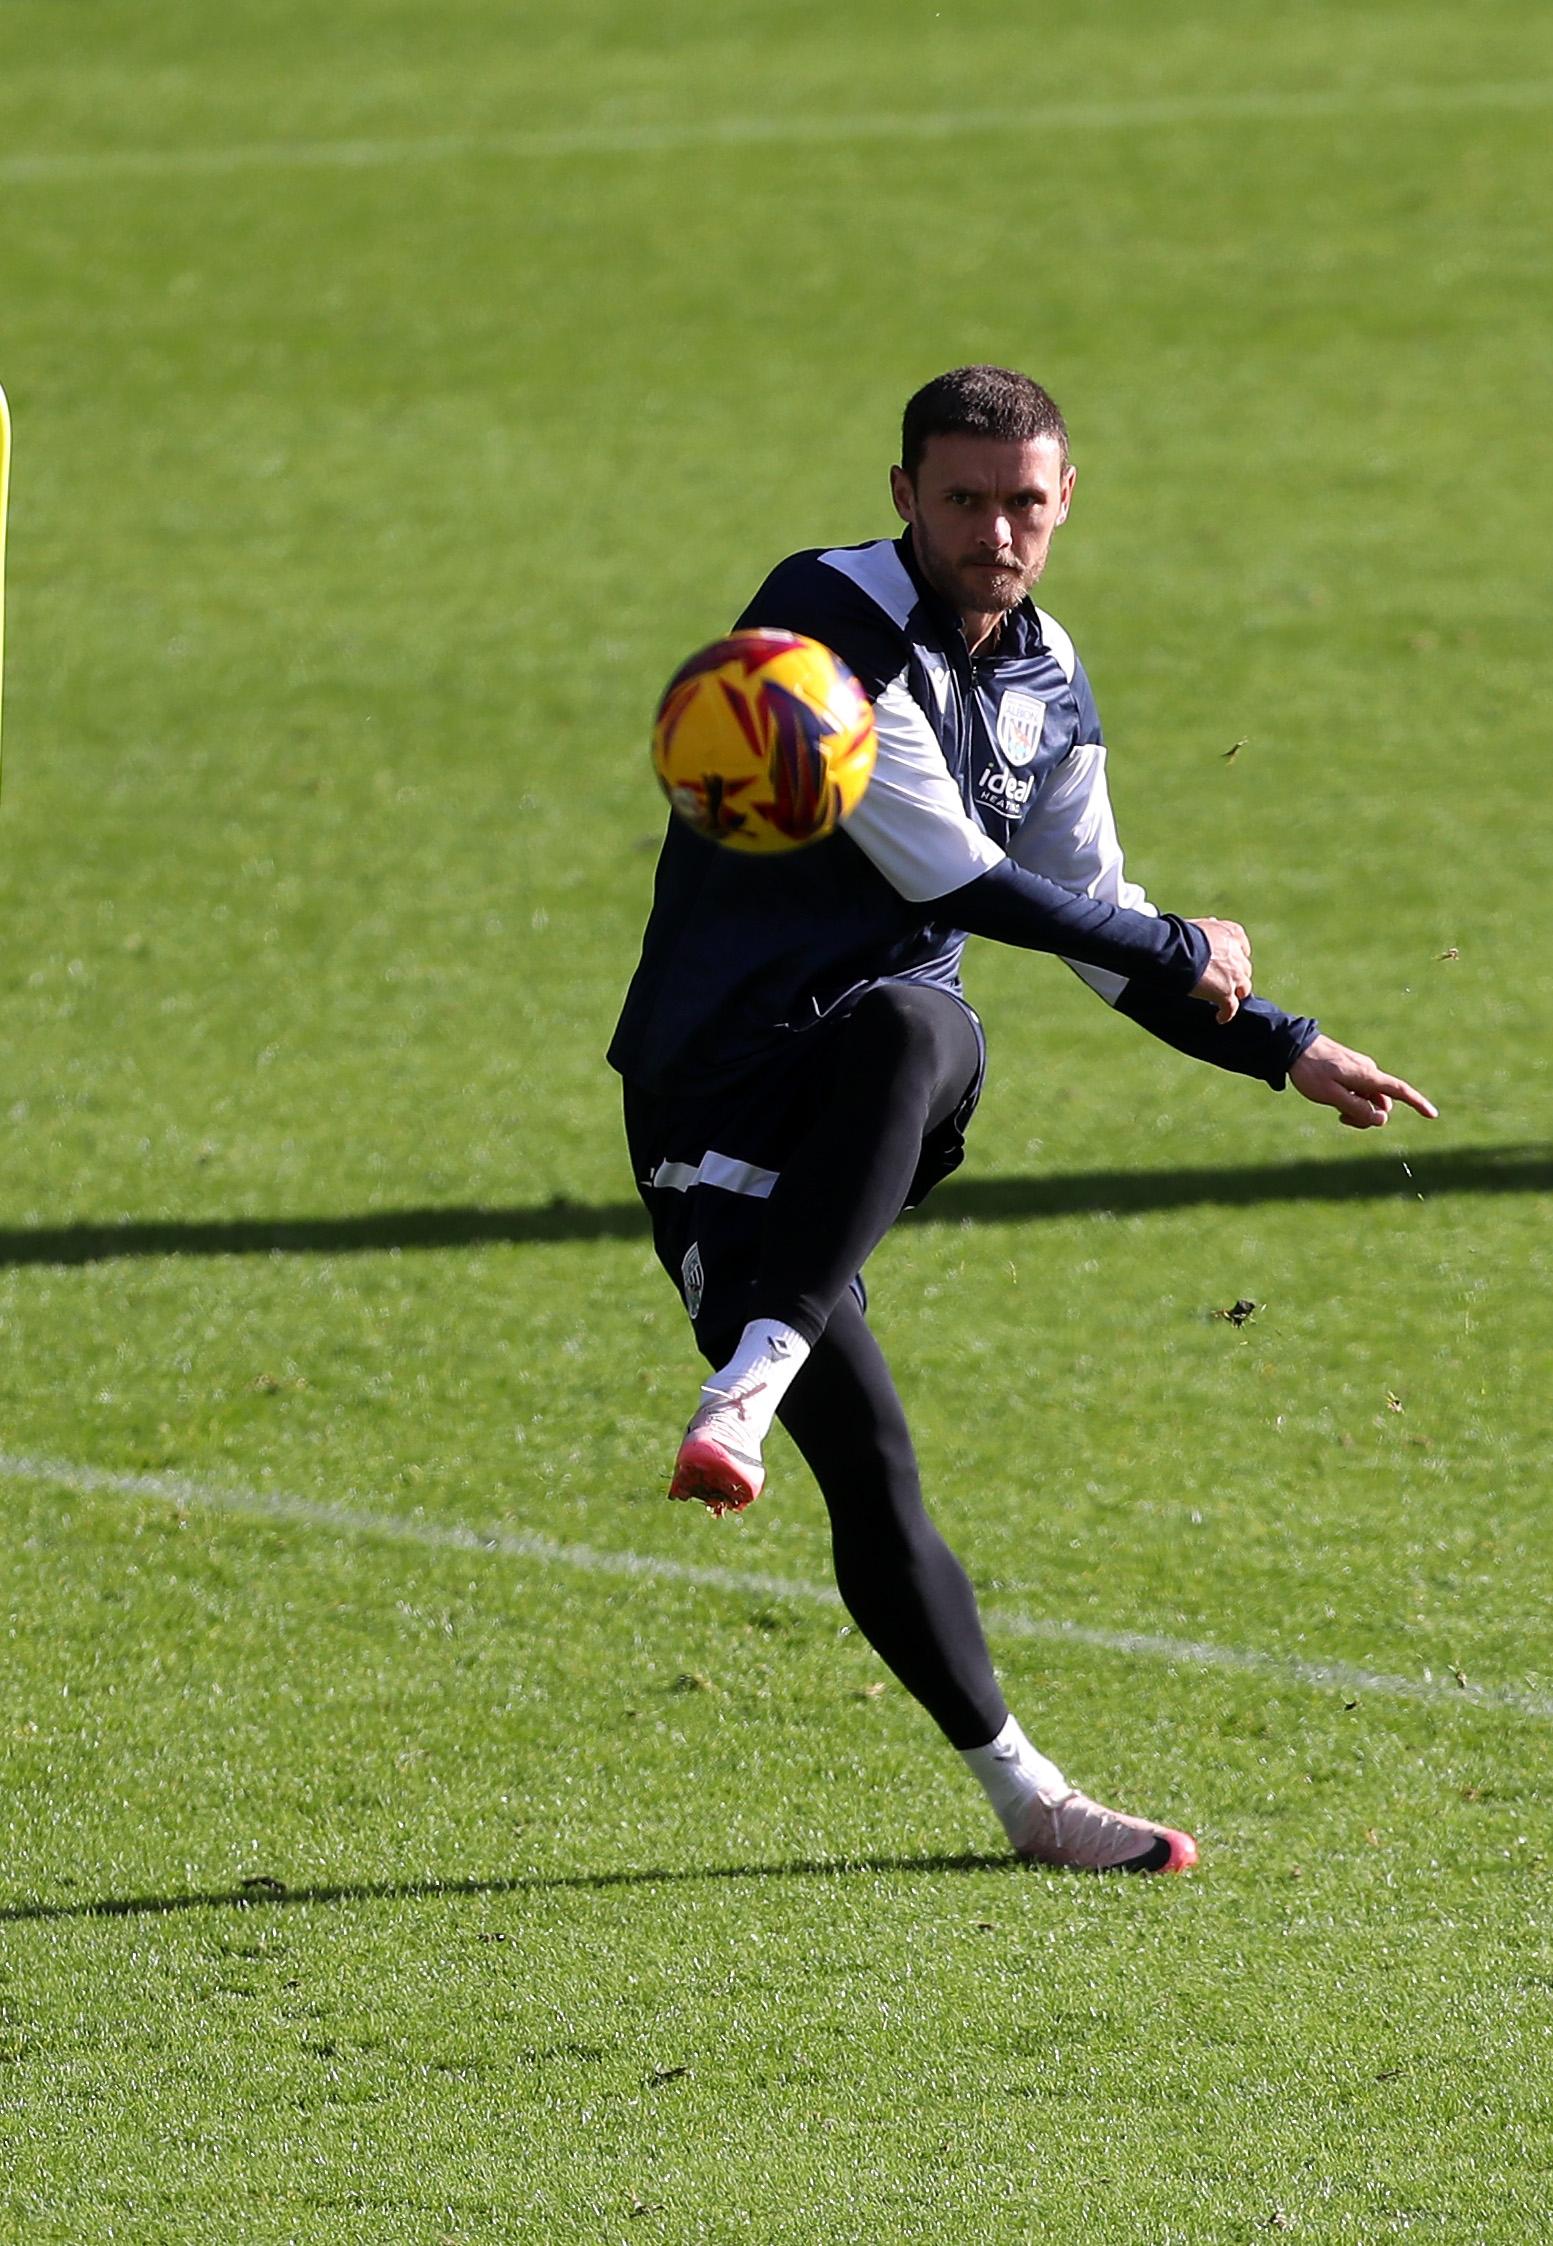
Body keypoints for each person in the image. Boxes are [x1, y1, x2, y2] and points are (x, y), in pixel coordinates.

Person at [607, 366, 1436, 1873]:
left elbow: (1085, 921)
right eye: (963, 499)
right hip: (709, 1090)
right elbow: (957, 879)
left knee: (925, 1017)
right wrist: (1183, 945)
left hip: (878, 1085)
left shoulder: (1048, 675)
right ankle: (1027, 1798)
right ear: (902, 497)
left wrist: (1281, 1046)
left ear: (1065, 504)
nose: (995, 530)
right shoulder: (816, 624)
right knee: (868, 1465)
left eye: (1023, 502)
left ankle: (753, 1368)